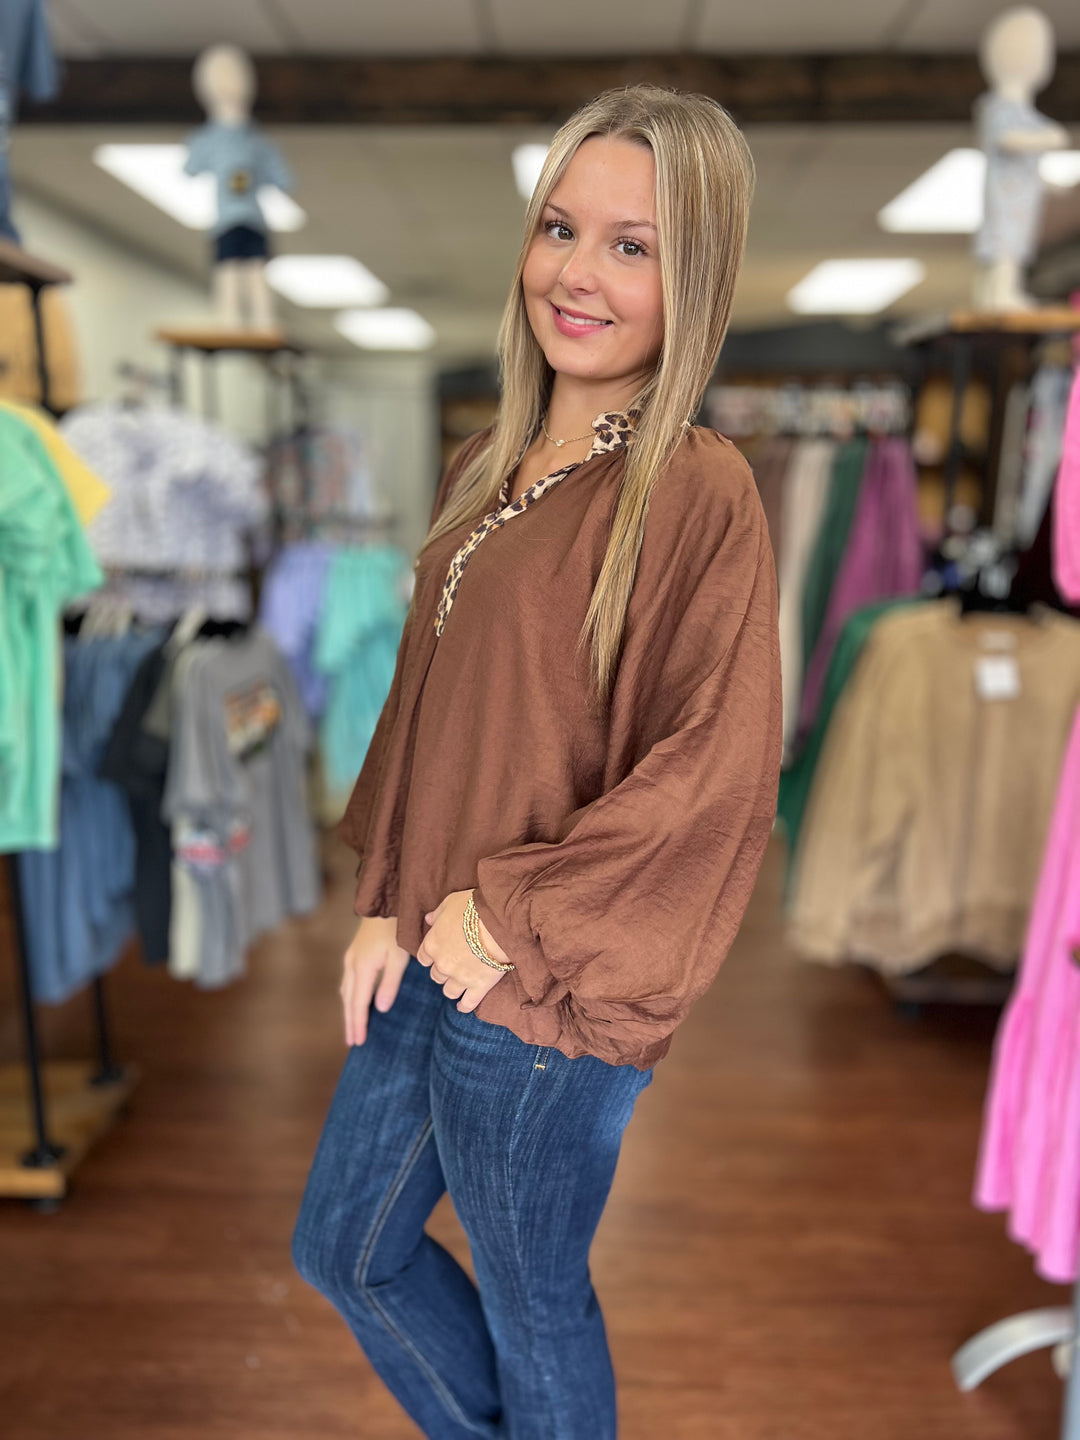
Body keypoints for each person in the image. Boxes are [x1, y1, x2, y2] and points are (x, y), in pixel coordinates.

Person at [292, 83, 782, 1439]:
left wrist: (506, 912)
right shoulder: (488, 459)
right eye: (562, 229)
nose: (578, 273)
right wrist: (387, 902)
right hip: (429, 953)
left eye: (633, 246)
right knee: (343, 1249)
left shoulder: (695, 490)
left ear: (697, 273)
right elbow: (430, 706)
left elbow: (717, 769)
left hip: (547, 982)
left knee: (534, 1302)